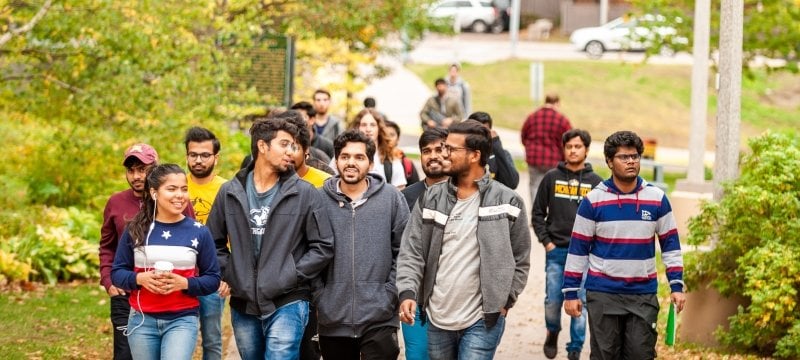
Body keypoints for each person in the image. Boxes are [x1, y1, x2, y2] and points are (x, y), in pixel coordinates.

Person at [397, 120, 531, 359]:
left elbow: (521, 257)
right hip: (437, 318)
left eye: (451, 149)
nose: (443, 154)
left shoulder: (508, 201)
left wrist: (506, 299)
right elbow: (412, 250)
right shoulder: (430, 199)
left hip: (483, 320)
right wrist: (408, 291)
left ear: (474, 155)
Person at [206, 117, 335, 360]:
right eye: (284, 144)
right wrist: (231, 272)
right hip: (243, 302)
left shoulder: (305, 193)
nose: (292, 151)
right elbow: (212, 242)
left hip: (288, 299)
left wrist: (291, 275)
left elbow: (323, 246)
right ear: (263, 147)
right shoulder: (230, 192)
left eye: (294, 145)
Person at [562, 130, 686, 359]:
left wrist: (676, 285)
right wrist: (570, 292)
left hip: (642, 294)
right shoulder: (593, 201)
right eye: (623, 157)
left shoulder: (657, 198)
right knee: (605, 355)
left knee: (641, 354)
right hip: (603, 294)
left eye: (635, 156)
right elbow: (578, 249)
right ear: (609, 161)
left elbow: (671, 245)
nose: (631, 161)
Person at [316, 129, 410, 359]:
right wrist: (321, 297)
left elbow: (405, 251)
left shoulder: (391, 198)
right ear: (336, 160)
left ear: (370, 163)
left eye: (359, 157)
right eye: (345, 156)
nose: (351, 163)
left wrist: (389, 293)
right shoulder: (317, 200)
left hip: (380, 316)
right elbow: (306, 252)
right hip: (333, 316)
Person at [111, 164, 221, 360]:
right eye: (172, 189)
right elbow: (117, 273)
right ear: (154, 192)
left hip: (182, 320)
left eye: (184, 189)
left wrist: (184, 283)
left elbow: (213, 279)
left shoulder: (199, 232)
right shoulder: (135, 229)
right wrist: (140, 279)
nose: (180, 195)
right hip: (141, 320)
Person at [99, 143, 195, 360]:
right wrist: (107, 279)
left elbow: (192, 242)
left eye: (142, 169)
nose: (136, 176)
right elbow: (107, 246)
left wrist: (188, 283)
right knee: (125, 354)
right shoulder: (116, 203)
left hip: (168, 294)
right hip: (126, 290)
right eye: (131, 170)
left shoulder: (175, 201)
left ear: (155, 169)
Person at [532, 129, 602, 360]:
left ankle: (575, 349)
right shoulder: (552, 177)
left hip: (584, 255)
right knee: (553, 300)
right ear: (564, 149)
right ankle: (552, 331)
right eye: (569, 146)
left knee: (580, 301)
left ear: (586, 150)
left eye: (578, 146)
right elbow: (537, 213)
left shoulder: (596, 183)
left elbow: (603, 219)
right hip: (557, 251)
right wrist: (547, 242)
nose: (573, 150)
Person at [398, 127, 449, 360]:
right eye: (426, 151)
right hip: (415, 297)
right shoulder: (406, 197)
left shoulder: (465, 195)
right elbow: (397, 247)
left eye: (440, 149)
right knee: (417, 355)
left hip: (453, 297)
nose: (433, 155)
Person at [184, 126, 228, 360]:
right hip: (181, 273)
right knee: (182, 338)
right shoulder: (176, 185)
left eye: (204, 155)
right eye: (193, 155)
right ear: (186, 156)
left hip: (212, 275)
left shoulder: (227, 188)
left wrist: (227, 275)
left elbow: (236, 236)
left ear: (215, 157)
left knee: (211, 338)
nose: (198, 160)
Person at [521, 94, 572, 206]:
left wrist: (530, 149)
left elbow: (523, 136)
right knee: (553, 187)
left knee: (534, 185)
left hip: (534, 159)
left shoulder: (532, 117)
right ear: (557, 103)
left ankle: (536, 216)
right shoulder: (562, 120)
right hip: (553, 160)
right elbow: (569, 141)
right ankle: (550, 215)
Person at [338, 109, 407, 188]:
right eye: (364, 125)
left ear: (379, 128)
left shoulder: (391, 159)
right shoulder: (342, 155)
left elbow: (399, 193)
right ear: (357, 127)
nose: (368, 129)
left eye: (373, 125)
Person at [467, 111, 520, 189]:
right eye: (476, 132)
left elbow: (512, 183)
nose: (480, 137)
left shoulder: (500, 154)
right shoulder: (464, 154)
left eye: (484, 132)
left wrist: (496, 144)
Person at [384, 120, 420, 187]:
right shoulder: (372, 161)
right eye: (384, 134)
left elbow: (415, 191)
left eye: (392, 135)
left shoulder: (407, 163)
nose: (387, 138)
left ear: (398, 139)